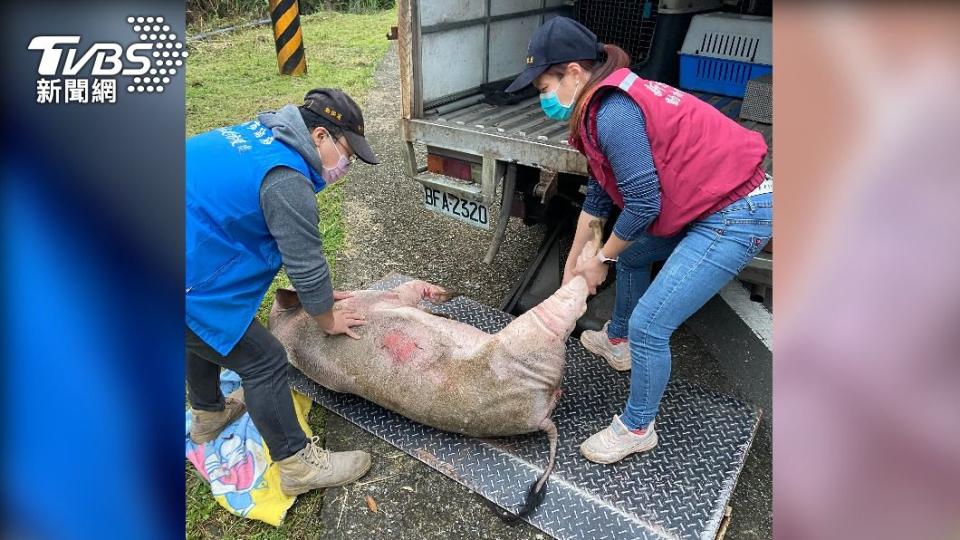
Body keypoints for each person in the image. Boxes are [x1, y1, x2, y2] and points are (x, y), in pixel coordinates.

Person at [506, 17, 772, 464]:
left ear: (574, 71)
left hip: (736, 211)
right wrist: (576, 262)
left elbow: (644, 203)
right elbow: (598, 196)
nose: (543, 99)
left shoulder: (613, 113)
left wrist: (601, 260)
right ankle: (618, 340)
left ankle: (637, 427)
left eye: (544, 86)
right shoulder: (597, 105)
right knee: (635, 258)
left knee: (653, 323)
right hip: (707, 203)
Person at [185, 88, 379, 494]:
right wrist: (326, 317)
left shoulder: (258, 134)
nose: (346, 165)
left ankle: (208, 415)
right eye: (347, 151)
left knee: (203, 333)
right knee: (264, 360)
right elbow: (306, 265)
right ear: (321, 136)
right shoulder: (286, 180)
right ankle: (298, 466)